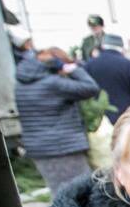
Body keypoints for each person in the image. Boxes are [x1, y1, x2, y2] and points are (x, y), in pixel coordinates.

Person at [14, 46, 101, 193]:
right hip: (63, 147)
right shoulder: (53, 83)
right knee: (82, 194)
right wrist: (72, 69)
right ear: (57, 64)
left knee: (60, 192)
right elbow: (91, 87)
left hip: (40, 149)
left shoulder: (22, 84)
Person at [83, 33, 130, 125]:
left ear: (103, 46)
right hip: (126, 119)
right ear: (122, 48)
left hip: (99, 120)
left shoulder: (88, 65)